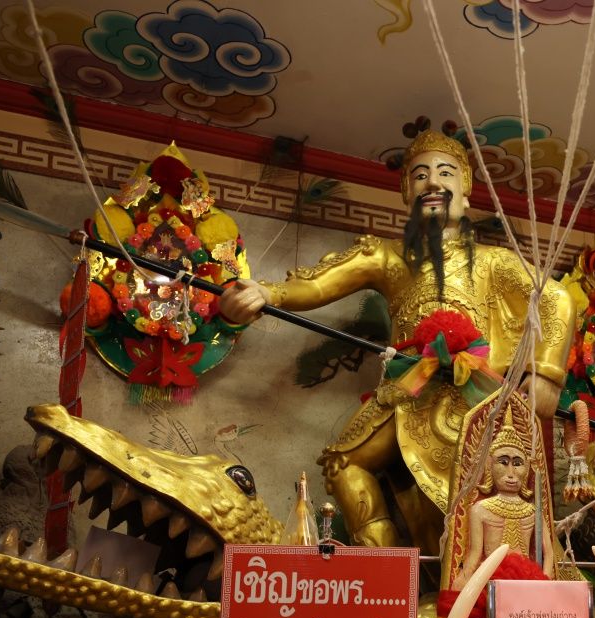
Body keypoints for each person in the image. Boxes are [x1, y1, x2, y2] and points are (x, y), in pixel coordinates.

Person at [219, 129, 574, 554]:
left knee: (480, 502)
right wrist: (267, 293)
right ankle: (386, 571)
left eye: (446, 173)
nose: (433, 183)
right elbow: (317, 283)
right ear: (407, 192)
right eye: (420, 175)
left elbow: (554, 299)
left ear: (466, 192)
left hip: (474, 394)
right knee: (344, 462)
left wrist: (545, 373)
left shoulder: (494, 262)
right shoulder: (387, 256)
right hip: (408, 387)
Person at [460, 420, 554, 584]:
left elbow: (549, 554)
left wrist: (544, 581)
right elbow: (475, 555)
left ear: (527, 469)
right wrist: (463, 581)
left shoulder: (532, 511)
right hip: (491, 580)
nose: (511, 473)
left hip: (528, 581)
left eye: (517, 464)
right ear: (489, 465)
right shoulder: (480, 510)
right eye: (503, 462)